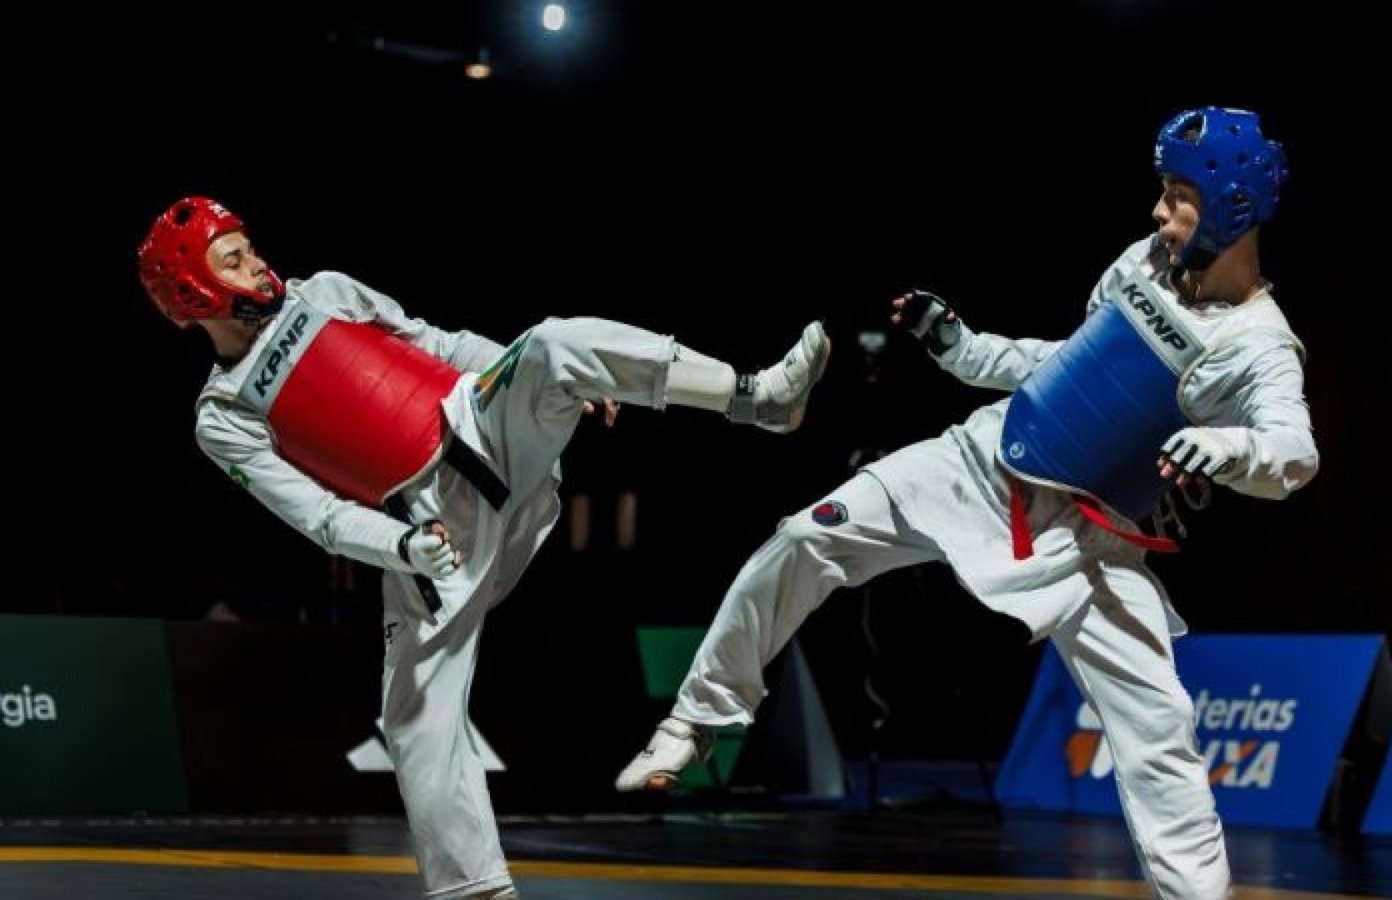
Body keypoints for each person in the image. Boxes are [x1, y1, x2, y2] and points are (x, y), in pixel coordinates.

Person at [614, 106, 1314, 900]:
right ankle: (698, 719)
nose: (1159, 211)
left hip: (1085, 546)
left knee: (1161, 735)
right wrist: (965, 350)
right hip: (977, 463)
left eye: (1178, 195)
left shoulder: (1259, 345)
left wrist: (1229, 448)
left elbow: (1293, 455)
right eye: (1162, 190)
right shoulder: (1144, 260)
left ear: (1233, 206)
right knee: (803, 538)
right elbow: (1070, 365)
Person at [135, 195, 831, 900]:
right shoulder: (223, 414)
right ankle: (477, 891)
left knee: (558, 343)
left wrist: (556, 378)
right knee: (416, 720)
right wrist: (402, 547)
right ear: (196, 294)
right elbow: (315, 514)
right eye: (234, 259)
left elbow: (436, 342)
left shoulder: (327, 292)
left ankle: (756, 399)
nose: (257, 262)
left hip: (485, 430)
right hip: (428, 536)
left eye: (248, 246)